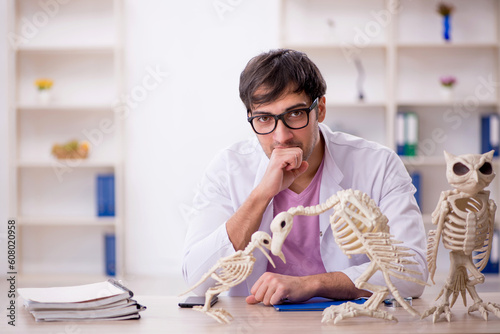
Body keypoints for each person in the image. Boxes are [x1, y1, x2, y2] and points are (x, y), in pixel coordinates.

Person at [182, 49, 428, 306]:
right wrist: (262, 194)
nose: (281, 136)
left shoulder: (379, 164)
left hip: (352, 323)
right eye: (264, 118)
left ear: (319, 109)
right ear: (250, 118)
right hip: (256, 322)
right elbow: (196, 279)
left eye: (295, 114)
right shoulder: (228, 168)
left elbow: (413, 271)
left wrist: (313, 283)